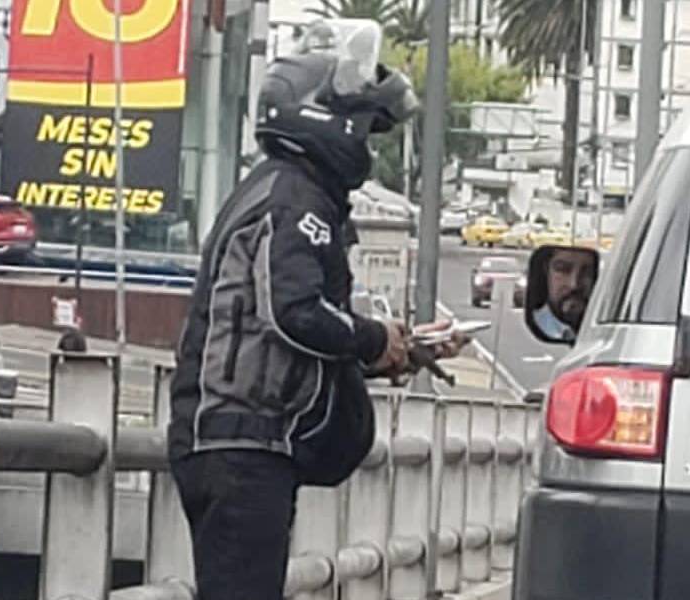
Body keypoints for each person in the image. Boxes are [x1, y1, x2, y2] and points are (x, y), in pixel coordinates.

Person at [167, 21, 464, 600]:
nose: (367, 148)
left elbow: (279, 333)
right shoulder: (293, 199)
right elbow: (296, 311)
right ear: (329, 120)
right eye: (364, 130)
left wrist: (394, 348)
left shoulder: (281, 191)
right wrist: (372, 337)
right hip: (241, 447)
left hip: (243, 445)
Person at [530, 247, 598, 343]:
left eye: (587, 272)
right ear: (547, 271)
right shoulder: (534, 326)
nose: (574, 284)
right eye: (563, 270)